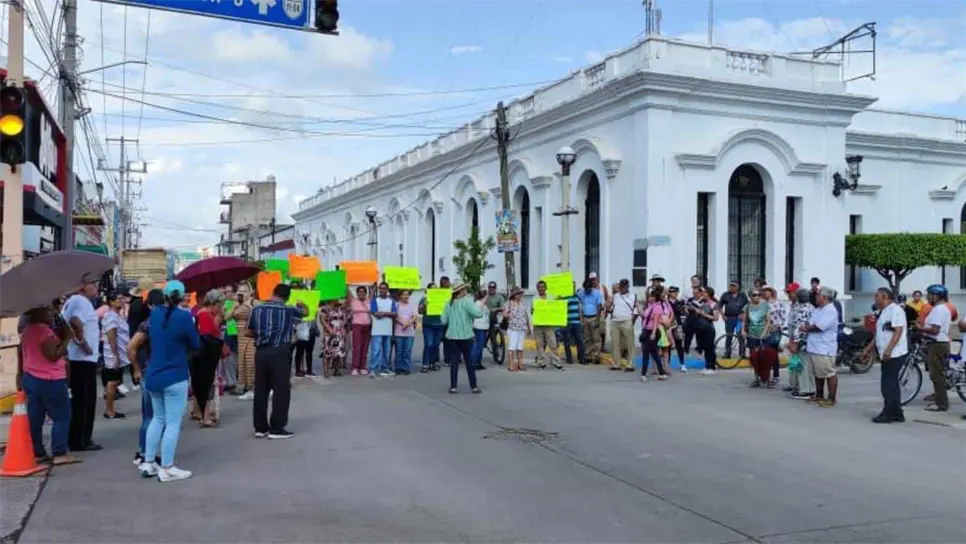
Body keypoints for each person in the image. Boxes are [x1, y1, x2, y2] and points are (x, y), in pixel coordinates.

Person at [140, 281, 201, 482]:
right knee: (173, 423)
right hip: (175, 375)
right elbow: (196, 343)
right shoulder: (185, 317)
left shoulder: (155, 314)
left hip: (154, 374)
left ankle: (148, 462)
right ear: (183, 296)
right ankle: (167, 467)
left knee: (158, 419)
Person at [18, 305, 81, 466]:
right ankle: (59, 452)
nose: (52, 313)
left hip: (31, 377)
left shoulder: (27, 331)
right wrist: (67, 339)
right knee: (62, 416)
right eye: (47, 310)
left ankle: (38, 452)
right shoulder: (44, 331)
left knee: (36, 418)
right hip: (50, 379)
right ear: (36, 313)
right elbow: (53, 355)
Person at [247, 284, 307, 439]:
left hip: (261, 352)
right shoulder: (288, 310)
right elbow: (305, 313)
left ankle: (260, 427)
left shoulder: (256, 309)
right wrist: (302, 304)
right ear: (287, 297)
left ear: (273, 292)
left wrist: (262, 336)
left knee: (261, 390)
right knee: (281, 390)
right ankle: (277, 428)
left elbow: (248, 331)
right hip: (280, 351)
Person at [62, 280, 103, 452]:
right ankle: (81, 440)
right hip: (83, 360)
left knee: (80, 400)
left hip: (81, 359)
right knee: (84, 401)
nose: (96, 287)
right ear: (82, 286)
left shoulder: (74, 301)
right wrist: (84, 344)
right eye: (92, 284)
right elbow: (75, 322)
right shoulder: (81, 301)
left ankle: (79, 438)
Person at [127, 289, 164, 466]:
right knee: (158, 416)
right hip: (160, 372)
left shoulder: (147, 324)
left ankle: (144, 452)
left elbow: (131, 348)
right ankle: (148, 453)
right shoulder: (164, 323)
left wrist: (136, 369)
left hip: (149, 371)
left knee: (150, 416)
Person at [864, 288, 908, 423]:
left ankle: (888, 413)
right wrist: (868, 349)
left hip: (895, 353)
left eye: (876, 296)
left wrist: (889, 350)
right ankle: (897, 412)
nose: (875, 299)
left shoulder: (895, 310)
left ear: (884, 296)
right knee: (893, 383)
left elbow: (898, 331)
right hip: (886, 353)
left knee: (887, 384)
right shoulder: (884, 312)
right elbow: (880, 334)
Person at [441, 283, 485, 393]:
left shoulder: (448, 303)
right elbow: (478, 314)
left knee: (454, 362)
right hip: (466, 336)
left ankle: (453, 387)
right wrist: (480, 306)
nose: (466, 290)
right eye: (465, 289)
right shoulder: (467, 302)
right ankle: (473, 386)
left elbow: (443, 320)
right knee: (469, 362)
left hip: (452, 336)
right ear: (462, 291)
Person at [800, 286, 839, 408]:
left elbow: (819, 327)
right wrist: (807, 326)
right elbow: (810, 323)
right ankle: (819, 395)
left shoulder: (830, 310)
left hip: (824, 348)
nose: (816, 297)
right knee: (818, 373)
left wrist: (806, 328)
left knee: (828, 373)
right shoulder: (818, 310)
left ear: (825, 298)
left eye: (818, 296)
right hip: (814, 346)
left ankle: (831, 398)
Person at [192, 290, 226, 427]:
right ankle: (204, 416)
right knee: (204, 386)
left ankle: (204, 415)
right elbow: (208, 336)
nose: (221, 308)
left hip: (205, 355)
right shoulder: (204, 314)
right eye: (220, 305)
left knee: (205, 386)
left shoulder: (206, 314)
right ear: (214, 303)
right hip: (205, 356)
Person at [920, 284, 952, 412]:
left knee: (937, 375)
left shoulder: (939, 310)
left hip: (938, 344)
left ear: (936, 296)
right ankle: (940, 400)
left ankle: (942, 404)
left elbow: (934, 330)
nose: (927, 298)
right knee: (937, 373)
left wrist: (920, 329)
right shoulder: (940, 309)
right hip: (938, 343)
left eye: (929, 295)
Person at [101, 292, 131, 418]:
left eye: (122, 298)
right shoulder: (110, 316)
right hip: (113, 354)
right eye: (118, 299)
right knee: (112, 382)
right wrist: (115, 355)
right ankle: (109, 410)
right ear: (111, 302)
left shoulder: (118, 316)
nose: (122, 301)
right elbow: (111, 336)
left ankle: (111, 408)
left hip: (120, 353)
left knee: (115, 381)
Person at [785, 287, 815, 399]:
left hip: (802, 342)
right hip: (800, 340)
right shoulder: (804, 306)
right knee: (796, 364)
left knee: (803, 366)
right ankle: (798, 386)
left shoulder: (804, 309)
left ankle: (806, 390)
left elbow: (799, 328)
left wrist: (795, 343)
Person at [531, 280, 564, 370]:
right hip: (538, 324)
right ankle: (542, 362)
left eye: (542, 287)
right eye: (539, 287)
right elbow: (532, 311)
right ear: (537, 288)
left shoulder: (551, 297)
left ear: (545, 288)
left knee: (552, 343)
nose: (541, 288)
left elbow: (556, 308)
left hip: (549, 324)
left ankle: (556, 361)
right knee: (540, 344)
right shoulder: (534, 298)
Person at [230, 285, 256, 399]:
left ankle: (252, 387)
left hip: (251, 335)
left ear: (250, 292)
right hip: (240, 335)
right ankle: (244, 386)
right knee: (242, 362)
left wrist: (249, 306)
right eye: (240, 291)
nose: (242, 293)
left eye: (245, 291)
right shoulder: (234, 304)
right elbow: (227, 317)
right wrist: (234, 305)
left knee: (251, 362)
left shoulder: (254, 302)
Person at [638, 287, 669, 382]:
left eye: (651, 296)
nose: (649, 298)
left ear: (655, 297)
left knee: (646, 353)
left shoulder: (657, 307)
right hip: (647, 330)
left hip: (651, 331)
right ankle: (662, 373)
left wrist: (653, 333)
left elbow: (656, 321)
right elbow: (645, 315)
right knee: (654, 353)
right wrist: (639, 308)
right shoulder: (651, 306)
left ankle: (643, 374)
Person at [368, 282, 398, 378]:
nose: (382, 290)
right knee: (376, 350)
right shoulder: (375, 300)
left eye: (384, 288)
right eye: (381, 288)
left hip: (388, 330)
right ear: (379, 289)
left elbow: (395, 314)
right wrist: (387, 314)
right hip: (377, 330)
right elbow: (375, 313)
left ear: (387, 290)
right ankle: (372, 369)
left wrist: (383, 313)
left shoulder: (391, 301)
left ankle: (385, 368)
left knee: (387, 350)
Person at [743, 290, 772, 387]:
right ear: (750, 296)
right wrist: (743, 330)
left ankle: (767, 379)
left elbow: (768, 320)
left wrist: (764, 332)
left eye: (759, 295)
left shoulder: (765, 306)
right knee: (754, 358)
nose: (757, 297)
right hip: (752, 335)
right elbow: (745, 320)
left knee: (765, 358)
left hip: (763, 335)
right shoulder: (747, 307)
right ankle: (756, 379)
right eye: (755, 295)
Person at [608, 279, 636, 372]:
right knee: (615, 343)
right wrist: (608, 303)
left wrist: (632, 321)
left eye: (624, 286)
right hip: (615, 321)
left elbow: (635, 310)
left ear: (627, 287)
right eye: (621, 286)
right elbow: (610, 309)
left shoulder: (632, 296)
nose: (622, 288)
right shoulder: (615, 296)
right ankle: (616, 364)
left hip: (626, 320)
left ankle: (630, 364)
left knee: (629, 344)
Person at [690, 287, 720, 375]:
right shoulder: (703, 303)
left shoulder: (714, 304)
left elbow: (716, 318)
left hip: (709, 329)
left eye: (704, 292)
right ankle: (707, 367)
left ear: (709, 294)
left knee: (709, 348)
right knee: (705, 348)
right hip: (701, 328)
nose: (703, 294)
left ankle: (711, 367)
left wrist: (704, 314)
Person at [318, 297, 350, 378]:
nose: (338, 299)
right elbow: (322, 320)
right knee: (327, 352)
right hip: (329, 333)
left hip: (339, 333)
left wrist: (343, 328)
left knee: (338, 352)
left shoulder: (341, 308)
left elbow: (344, 319)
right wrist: (329, 329)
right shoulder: (325, 308)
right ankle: (326, 371)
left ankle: (337, 370)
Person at [418, 282, 444, 373]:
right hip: (428, 325)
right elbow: (420, 311)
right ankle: (425, 364)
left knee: (436, 345)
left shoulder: (441, 299)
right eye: (432, 288)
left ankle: (434, 362)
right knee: (428, 344)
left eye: (436, 288)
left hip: (439, 324)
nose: (434, 290)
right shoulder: (424, 299)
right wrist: (424, 305)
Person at [718, 281, 748, 360]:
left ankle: (742, 354)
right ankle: (727, 354)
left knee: (741, 336)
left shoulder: (743, 295)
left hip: (739, 319)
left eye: (734, 286)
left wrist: (744, 315)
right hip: (729, 318)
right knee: (729, 336)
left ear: (738, 287)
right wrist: (723, 315)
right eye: (731, 286)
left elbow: (747, 306)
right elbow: (719, 306)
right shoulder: (725, 295)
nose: (732, 287)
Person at [578, 278, 604, 365]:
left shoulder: (597, 293)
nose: (586, 290)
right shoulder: (581, 293)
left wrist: (597, 319)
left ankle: (596, 356)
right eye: (585, 288)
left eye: (588, 289)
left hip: (593, 317)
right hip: (585, 318)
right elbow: (577, 300)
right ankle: (588, 356)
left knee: (596, 338)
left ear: (591, 287)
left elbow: (599, 306)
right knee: (587, 338)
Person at [503, 287, 530, 372]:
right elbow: (504, 313)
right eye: (518, 294)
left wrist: (528, 326)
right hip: (513, 328)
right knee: (512, 347)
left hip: (522, 328)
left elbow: (526, 315)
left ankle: (520, 364)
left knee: (520, 347)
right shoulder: (509, 303)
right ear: (514, 295)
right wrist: (509, 315)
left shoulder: (522, 303)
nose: (520, 295)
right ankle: (511, 365)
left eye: (520, 293)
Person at [560, 282, 586, 365]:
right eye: (571, 286)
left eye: (574, 286)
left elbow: (580, 309)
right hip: (568, 322)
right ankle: (569, 359)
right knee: (567, 342)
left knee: (580, 341)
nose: (573, 287)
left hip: (577, 322)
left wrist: (582, 321)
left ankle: (582, 359)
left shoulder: (577, 296)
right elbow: (561, 309)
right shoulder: (564, 297)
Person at [349, 286, 372, 376]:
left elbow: (373, 291)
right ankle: (355, 367)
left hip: (367, 326)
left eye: (363, 292)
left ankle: (363, 367)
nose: (361, 293)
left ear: (366, 293)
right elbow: (348, 291)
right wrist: (346, 283)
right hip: (357, 326)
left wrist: (374, 284)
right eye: (359, 292)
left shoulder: (368, 300)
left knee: (365, 347)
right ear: (357, 293)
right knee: (357, 347)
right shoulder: (353, 301)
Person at [393, 290, 416, 375]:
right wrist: (402, 323)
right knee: (399, 351)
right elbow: (395, 316)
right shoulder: (396, 304)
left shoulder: (411, 305)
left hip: (409, 332)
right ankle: (398, 367)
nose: (406, 296)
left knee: (407, 351)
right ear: (400, 296)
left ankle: (406, 367)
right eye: (404, 295)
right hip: (399, 331)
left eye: (407, 295)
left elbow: (414, 316)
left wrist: (408, 323)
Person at [484, 282, 506, 364]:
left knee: (497, 317)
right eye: (490, 287)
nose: (491, 289)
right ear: (488, 288)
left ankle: (496, 345)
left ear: (495, 288)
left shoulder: (499, 297)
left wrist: (496, 308)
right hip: (484, 316)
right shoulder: (486, 296)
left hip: (495, 316)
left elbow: (503, 307)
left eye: (493, 287)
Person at [667, 287, 687, 372]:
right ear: (670, 293)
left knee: (679, 345)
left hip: (678, 324)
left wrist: (683, 307)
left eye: (676, 292)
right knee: (667, 345)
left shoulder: (679, 302)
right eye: (674, 292)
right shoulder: (666, 302)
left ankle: (682, 364)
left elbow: (683, 313)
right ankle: (667, 364)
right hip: (667, 325)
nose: (676, 294)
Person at [293, 311, 319, 378]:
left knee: (309, 353)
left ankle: (309, 370)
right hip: (302, 334)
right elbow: (296, 322)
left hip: (311, 333)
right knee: (300, 352)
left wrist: (316, 330)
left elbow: (314, 322)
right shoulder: (299, 311)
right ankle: (298, 370)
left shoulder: (313, 310)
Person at [470, 290, 490, 371]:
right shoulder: (478, 303)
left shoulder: (484, 304)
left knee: (481, 346)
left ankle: (478, 363)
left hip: (484, 327)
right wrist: (487, 295)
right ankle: (473, 363)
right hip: (478, 327)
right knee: (477, 346)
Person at [588, 272, 609, 351]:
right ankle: (594, 347)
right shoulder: (588, 288)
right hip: (592, 313)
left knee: (602, 331)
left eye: (594, 279)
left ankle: (603, 347)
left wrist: (606, 311)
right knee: (592, 331)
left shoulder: (602, 288)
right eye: (591, 280)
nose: (593, 281)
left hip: (601, 312)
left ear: (598, 279)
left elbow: (607, 299)